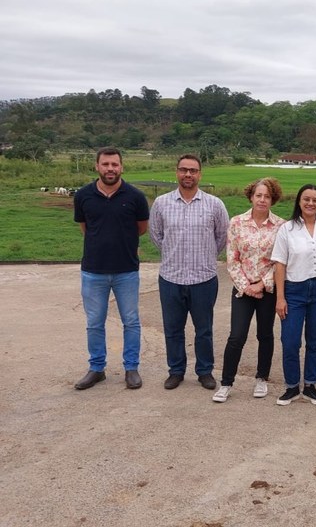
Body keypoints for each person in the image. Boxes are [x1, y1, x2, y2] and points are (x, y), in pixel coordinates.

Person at [149, 154, 229, 391]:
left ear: (200, 174)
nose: (188, 174)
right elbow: (156, 235)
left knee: (204, 330)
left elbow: (222, 236)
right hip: (171, 278)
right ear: (176, 172)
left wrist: (206, 255)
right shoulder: (161, 203)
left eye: (193, 170)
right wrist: (172, 253)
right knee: (173, 329)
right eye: (183, 169)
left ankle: (205, 371)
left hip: (203, 278)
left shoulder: (214, 204)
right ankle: (176, 371)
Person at [73, 147, 150, 390]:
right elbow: (86, 228)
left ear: (121, 167)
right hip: (93, 271)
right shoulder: (83, 195)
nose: (110, 169)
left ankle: (131, 368)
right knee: (94, 322)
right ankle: (97, 368)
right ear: (97, 166)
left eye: (115, 164)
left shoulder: (135, 196)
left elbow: (141, 228)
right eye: (105, 164)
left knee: (131, 321)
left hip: (126, 270)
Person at [212, 178, 285, 403]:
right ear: (251, 197)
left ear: (272, 199)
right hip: (242, 290)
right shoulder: (237, 223)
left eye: (267, 196)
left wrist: (261, 285)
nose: (262, 200)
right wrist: (247, 287)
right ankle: (226, 383)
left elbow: (280, 261)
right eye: (258, 195)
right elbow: (232, 258)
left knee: (265, 334)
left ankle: (262, 378)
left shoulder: (281, 226)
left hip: (268, 289)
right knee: (237, 336)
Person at [271, 184, 316, 406]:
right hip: (294, 290)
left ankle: (310, 385)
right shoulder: (287, 229)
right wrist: (280, 297)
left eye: (315, 200)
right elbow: (280, 264)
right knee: (290, 341)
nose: (310, 203)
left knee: (315, 341)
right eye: (306, 199)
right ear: (299, 201)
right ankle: (292, 386)